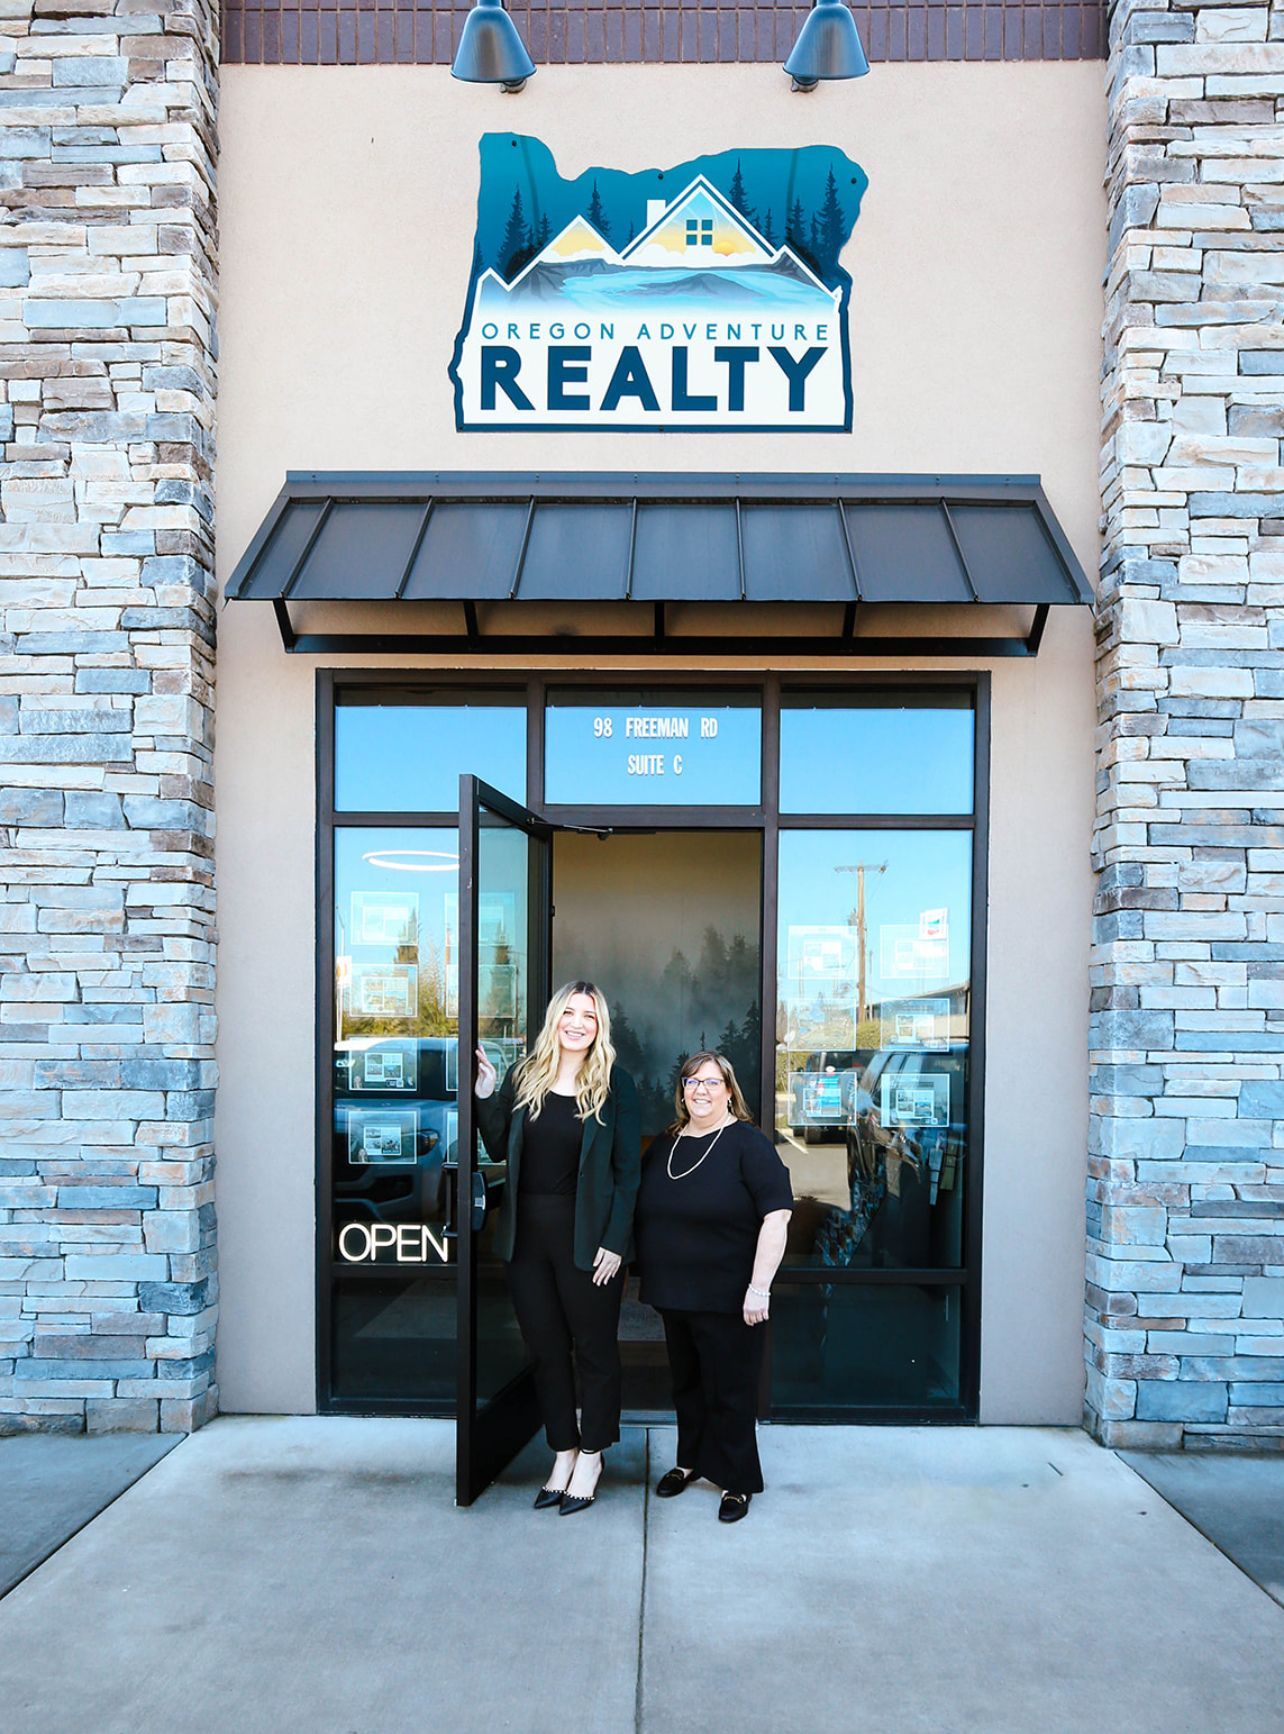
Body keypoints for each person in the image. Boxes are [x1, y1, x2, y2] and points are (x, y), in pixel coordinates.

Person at [474, 981, 640, 1516]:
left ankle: (592, 1455)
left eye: (588, 1016)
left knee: (593, 1350)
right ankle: (563, 1451)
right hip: (527, 1239)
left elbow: (628, 1175)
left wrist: (616, 1242)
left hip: (588, 1240)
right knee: (546, 1351)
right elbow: (499, 1144)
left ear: (600, 1025)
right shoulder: (527, 1076)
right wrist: (484, 1093)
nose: (577, 1023)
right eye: (569, 1012)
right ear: (554, 1019)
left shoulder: (617, 1086)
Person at [634, 1051, 792, 1524]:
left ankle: (738, 1480)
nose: (700, 1090)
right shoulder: (665, 1145)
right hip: (674, 1293)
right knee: (688, 1384)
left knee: (731, 1390)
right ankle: (692, 1461)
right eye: (691, 1081)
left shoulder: (747, 1144)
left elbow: (778, 1215)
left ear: (729, 1090)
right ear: (681, 1090)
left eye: (711, 1082)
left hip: (731, 1297)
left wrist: (759, 1287)